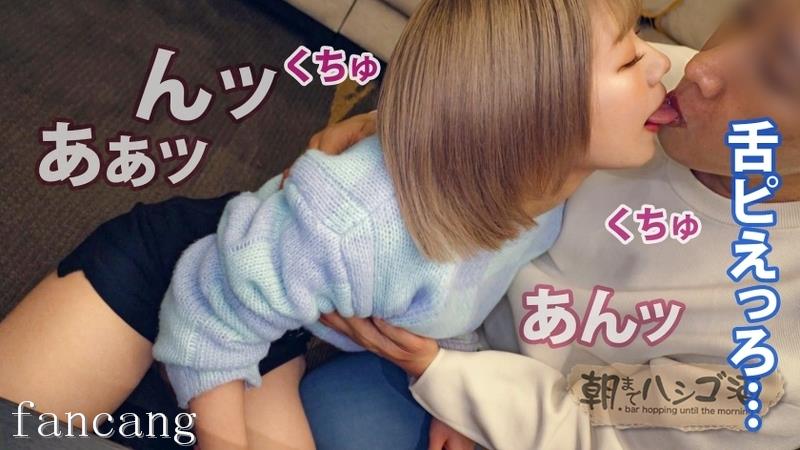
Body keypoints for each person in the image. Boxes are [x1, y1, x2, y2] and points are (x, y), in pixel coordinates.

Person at [0, 0, 673, 448]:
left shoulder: (546, 205)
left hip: (277, 320)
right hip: (192, 277)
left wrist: (457, 394)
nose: (665, 62)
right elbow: (207, 313)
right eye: (628, 57)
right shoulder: (354, 221)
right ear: (530, 114)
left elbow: (452, 291)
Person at [306, 0, 800, 448]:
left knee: (333, 412)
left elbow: (598, 431)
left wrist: (456, 384)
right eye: (744, 15)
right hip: (450, 306)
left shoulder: (775, 355)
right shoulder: (654, 76)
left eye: (775, 73)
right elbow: (501, 106)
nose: (698, 68)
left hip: (518, 407)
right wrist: (389, 134)